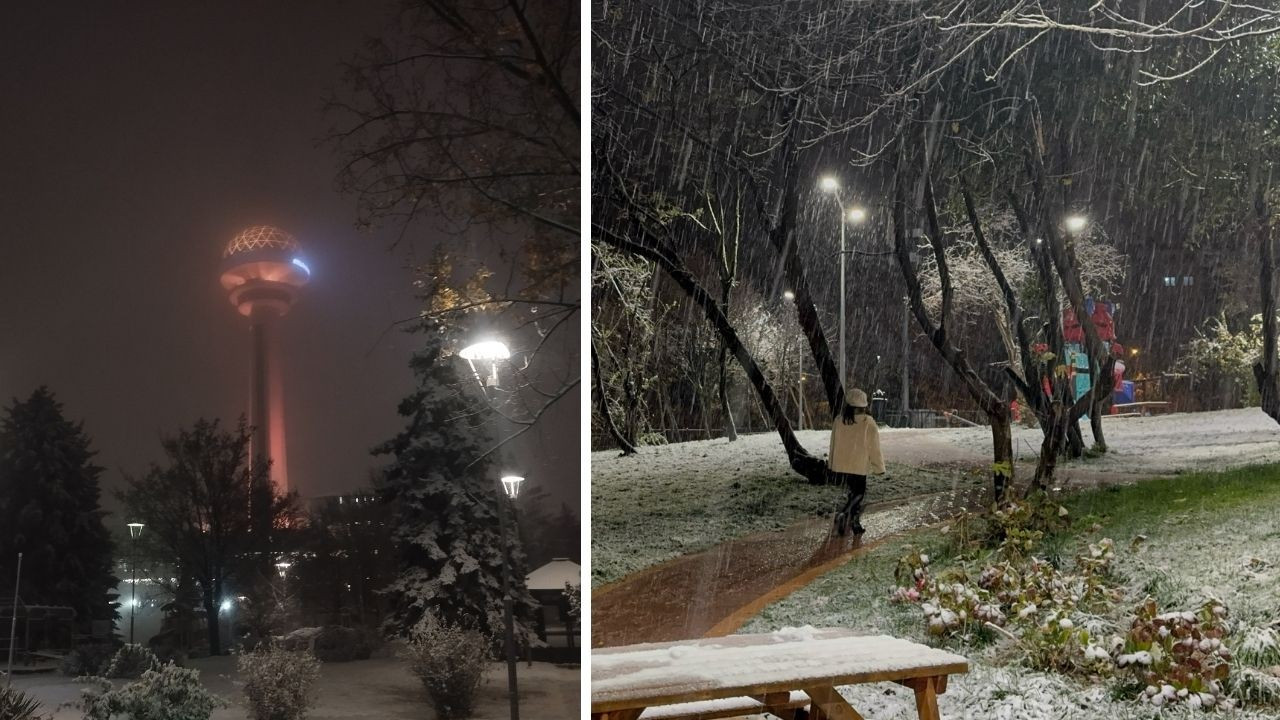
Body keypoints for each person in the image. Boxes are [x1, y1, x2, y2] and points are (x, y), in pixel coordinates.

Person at [828, 387, 885, 536]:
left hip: (842, 466)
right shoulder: (868, 422)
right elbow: (874, 448)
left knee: (853, 493)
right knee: (858, 494)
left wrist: (832, 464)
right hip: (858, 466)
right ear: (864, 405)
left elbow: (833, 444)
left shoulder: (839, 420)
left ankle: (855, 523)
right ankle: (845, 515)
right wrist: (879, 467)